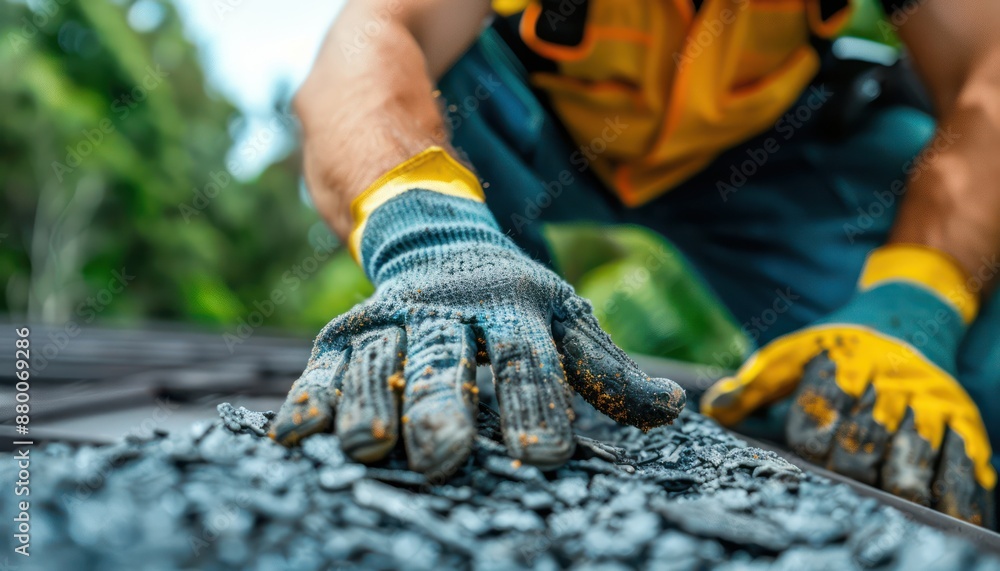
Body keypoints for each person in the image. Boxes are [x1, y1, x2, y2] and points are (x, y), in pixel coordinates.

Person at [272, 0, 1000, 526]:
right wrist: (432, 242)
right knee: (440, 80)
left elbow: (987, 71)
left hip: (771, 150)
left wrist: (915, 303)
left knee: (965, 379)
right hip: (522, 123)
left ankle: (852, 384)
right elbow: (371, 37)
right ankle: (479, 317)